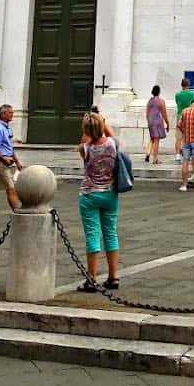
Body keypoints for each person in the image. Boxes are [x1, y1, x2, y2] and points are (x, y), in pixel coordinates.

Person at [77, 110, 120, 291]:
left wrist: (90, 128)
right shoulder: (112, 144)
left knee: (92, 235)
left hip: (89, 194)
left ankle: (92, 278)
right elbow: (110, 135)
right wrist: (103, 121)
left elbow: (84, 141)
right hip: (110, 194)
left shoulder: (84, 148)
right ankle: (113, 277)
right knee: (110, 233)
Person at [174, 78, 194, 161]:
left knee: (178, 137)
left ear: (181, 85)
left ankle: (177, 155)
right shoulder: (193, 94)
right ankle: (189, 155)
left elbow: (177, 103)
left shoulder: (177, 94)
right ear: (188, 85)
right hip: (189, 115)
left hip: (180, 116)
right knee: (189, 136)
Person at [145, 84, 168, 163]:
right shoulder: (161, 101)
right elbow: (164, 114)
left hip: (150, 121)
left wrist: (148, 121)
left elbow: (147, 113)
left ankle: (148, 154)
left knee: (152, 138)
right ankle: (155, 159)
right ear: (159, 92)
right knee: (157, 140)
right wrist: (167, 123)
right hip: (157, 121)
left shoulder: (149, 101)